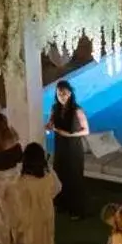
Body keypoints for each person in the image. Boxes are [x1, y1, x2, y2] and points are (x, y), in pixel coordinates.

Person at [45, 79, 90, 219]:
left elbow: (86, 130)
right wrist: (48, 127)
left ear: (69, 94)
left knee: (74, 177)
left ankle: (77, 210)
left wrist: (70, 134)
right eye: (59, 94)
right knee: (60, 175)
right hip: (60, 147)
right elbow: (51, 123)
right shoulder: (54, 108)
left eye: (64, 94)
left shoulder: (77, 110)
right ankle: (61, 204)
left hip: (73, 147)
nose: (61, 97)